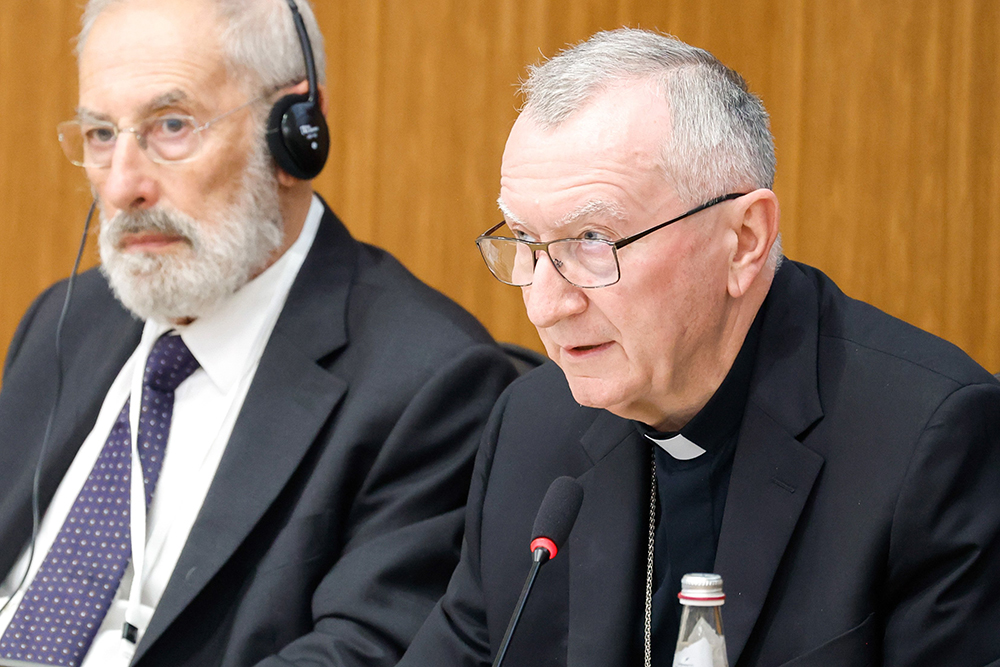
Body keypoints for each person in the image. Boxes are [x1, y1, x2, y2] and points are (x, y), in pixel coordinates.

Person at [398, 28, 1000, 666]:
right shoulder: (532, 430)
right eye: (524, 239)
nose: (548, 304)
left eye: (594, 239)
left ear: (743, 239)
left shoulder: (930, 446)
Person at [0, 0, 516, 665]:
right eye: (101, 134)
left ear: (295, 133)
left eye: (171, 126)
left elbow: (358, 651)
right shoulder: (66, 320)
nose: (123, 185)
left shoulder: (429, 381)